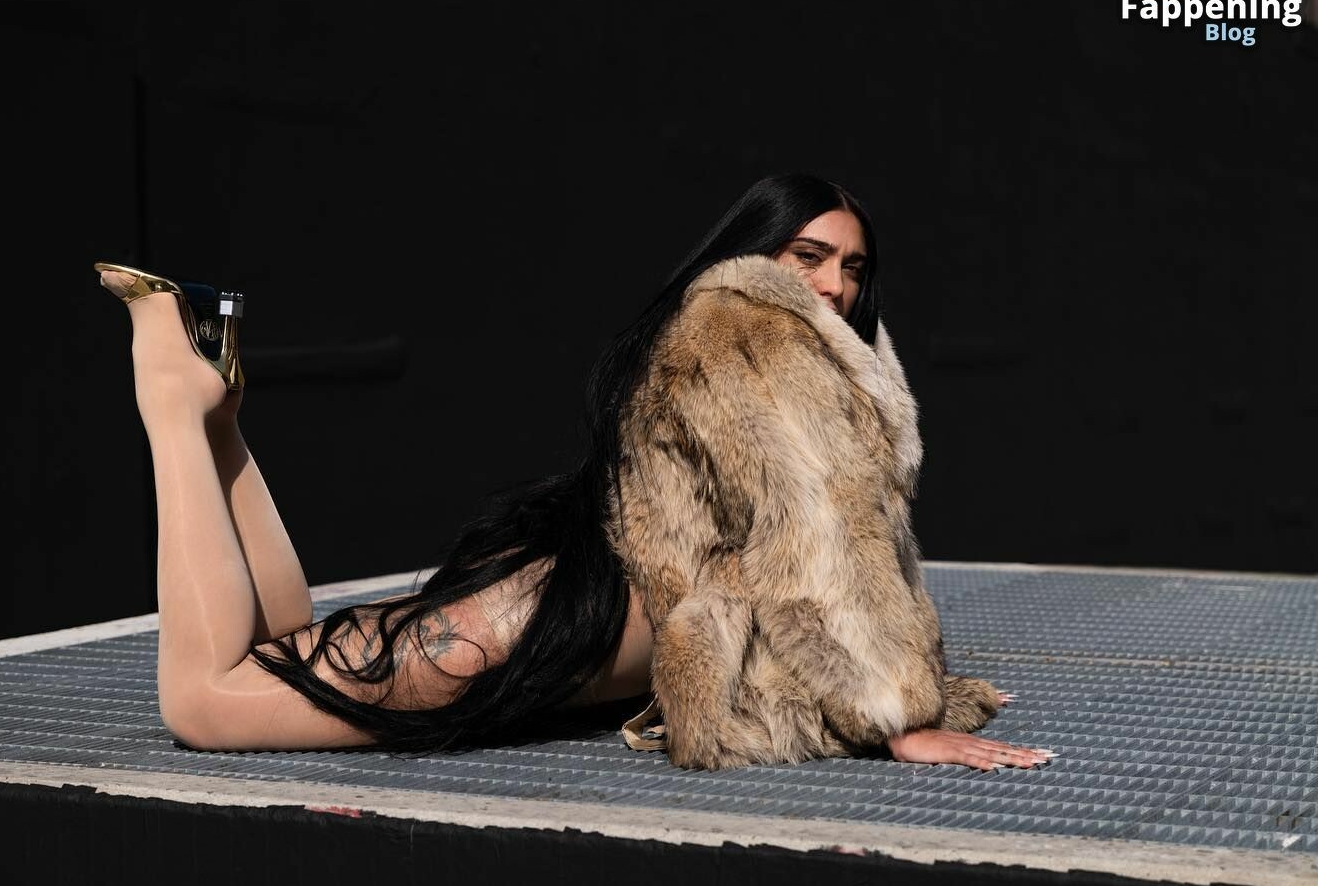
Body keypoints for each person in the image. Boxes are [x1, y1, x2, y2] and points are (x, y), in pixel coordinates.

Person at [98, 173, 1054, 771]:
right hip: (576, 619)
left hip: (588, 604)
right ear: (756, 252)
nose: (836, 285)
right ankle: (175, 395)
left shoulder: (763, 339)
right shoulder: (755, 333)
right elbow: (816, 542)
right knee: (206, 702)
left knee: (284, 653)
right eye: (810, 255)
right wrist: (895, 717)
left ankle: (220, 415)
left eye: (853, 266)